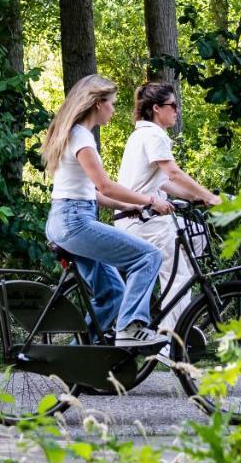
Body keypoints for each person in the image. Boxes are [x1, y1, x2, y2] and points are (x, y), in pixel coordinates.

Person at [42, 74, 175, 352]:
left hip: (66, 219)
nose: (114, 110)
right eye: (112, 103)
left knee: (113, 293)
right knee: (148, 256)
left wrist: (131, 206)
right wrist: (151, 200)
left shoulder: (75, 134)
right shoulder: (82, 137)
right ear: (98, 103)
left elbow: (93, 193)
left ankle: (78, 358)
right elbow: (106, 186)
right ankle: (130, 328)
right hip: (75, 222)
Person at [115, 81, 222, 338]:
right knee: (180, 277)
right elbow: (172, 172)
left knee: (195, 236)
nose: (177, 110)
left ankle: (174, 325)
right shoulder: (154, 135)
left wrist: (198, 198)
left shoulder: (140, 135)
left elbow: (163, 182)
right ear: (156, 108)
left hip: (135, 219)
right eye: (172, 105)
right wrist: (208, 195)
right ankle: (172, 340)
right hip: (144, 221)